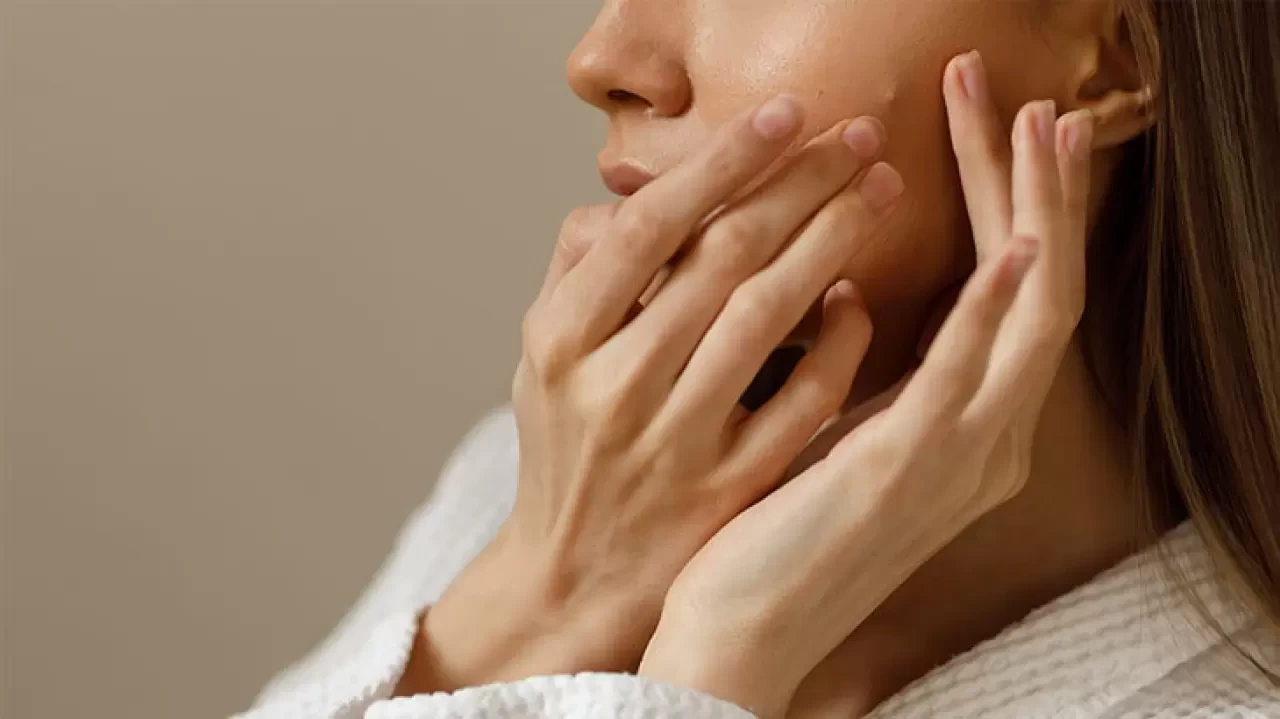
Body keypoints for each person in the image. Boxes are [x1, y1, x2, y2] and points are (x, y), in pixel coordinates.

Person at [239, 1, 1279, 717]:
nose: (603, 58)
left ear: (1116, 52)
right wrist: (535, 598)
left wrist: (713, 657)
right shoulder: (528, 487)